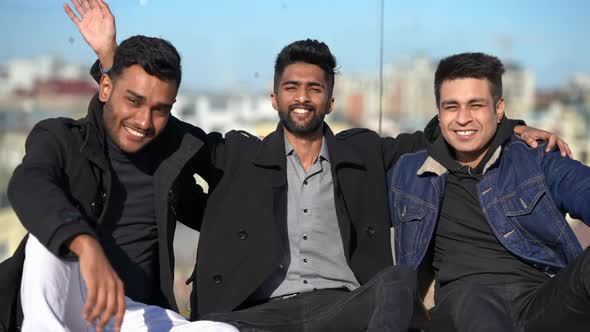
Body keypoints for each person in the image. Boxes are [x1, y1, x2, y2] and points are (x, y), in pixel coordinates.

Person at [67, 1, 570, 331]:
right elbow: (150, 121)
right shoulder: (234, 155)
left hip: (343, 306)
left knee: (397, 280)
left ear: (330, 99)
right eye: (291, 87)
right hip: (257, 312)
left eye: (314, 88)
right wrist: (110, 57)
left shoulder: (364, 152)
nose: (302, 97)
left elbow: (448, 129)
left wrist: (514, 128)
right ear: (274, 97)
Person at [6, 14, 237, 332]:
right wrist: (86, 246)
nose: (144, 121)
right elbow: (28, 184)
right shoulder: (61, 137)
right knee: (47, 236)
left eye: (160, 109)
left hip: (134, 314)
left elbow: (231, 177)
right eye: (134, 101)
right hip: (68, 303)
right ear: (105, 88)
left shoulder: (174, 156)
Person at [388, 52, 590, 332]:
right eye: (451, 106)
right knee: (474, 295)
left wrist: (515, 129)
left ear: (498, 109)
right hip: (463, 308)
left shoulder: (535, 159)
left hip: (542, 304)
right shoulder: (409, 173)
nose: (462, 118)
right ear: (438, 111)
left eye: (475, 105)